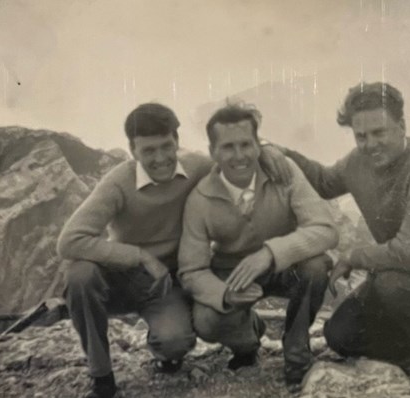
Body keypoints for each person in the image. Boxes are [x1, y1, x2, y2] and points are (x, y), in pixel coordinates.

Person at [57, 103, 290, 398]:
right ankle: (101, 375)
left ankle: (235, 332)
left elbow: (234, 157)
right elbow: (69, 240)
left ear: (177, 142)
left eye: (166, 147)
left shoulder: (196, 167)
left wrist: (268, 149)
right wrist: (139, 256)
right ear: (132, 150)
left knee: (175, 342)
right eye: (148, 151)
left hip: (170, 282)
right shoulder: (117, 183)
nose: (161, 158)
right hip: (126, 277)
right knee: (79, 273)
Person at [277, 82, 410, 381]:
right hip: (398, 271)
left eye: (379, 132)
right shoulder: (358, 161)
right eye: (361, 136)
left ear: (401, 126)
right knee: (340, 335)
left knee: (392, 286)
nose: (370, 143)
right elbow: (324, 182)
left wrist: (353, 256)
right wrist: (284, 153)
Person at [177, 103, 338, 388]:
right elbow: (191, 270)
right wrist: (223, 295)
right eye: (228, 147)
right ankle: (247, 341)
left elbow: (325, 229)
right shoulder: (200, 199)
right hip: (233, 274)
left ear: (258, 145)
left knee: (315, 266)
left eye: (246, 144)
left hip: (285, 266)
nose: (239, 156)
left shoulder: (284, 172)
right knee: (206, 320)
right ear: (213, 151)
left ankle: (297, 350)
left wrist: (271, 253)